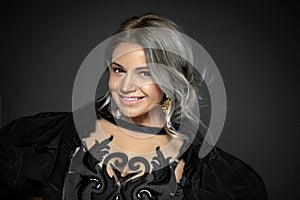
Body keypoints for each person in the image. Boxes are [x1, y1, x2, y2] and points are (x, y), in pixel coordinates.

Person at [0, 14, 267, 200]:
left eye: (145, 73)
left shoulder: (207, 173)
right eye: (118, 70)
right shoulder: (57, 138)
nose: (126, 86)